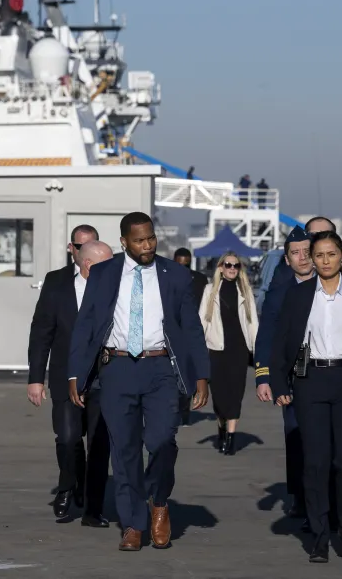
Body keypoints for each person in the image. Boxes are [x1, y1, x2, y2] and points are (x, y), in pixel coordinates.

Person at [68, 212, 211, 552]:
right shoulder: (103, 274)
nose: (147, 246)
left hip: (160, 368)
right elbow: (85, 324)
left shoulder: (175, 275)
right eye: (139, 240)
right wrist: (75, 373)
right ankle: (134, 523)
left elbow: (191, 328)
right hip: (116, 368)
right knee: (125, 451)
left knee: (161, 441)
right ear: (123, 242)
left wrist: (201, 376)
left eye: (150, 239)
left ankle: (159, 500)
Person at [271, 231, 342, 563]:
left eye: (330, 254)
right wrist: (279, 384)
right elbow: (281, 343)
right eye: (318, 255)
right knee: (316, 462)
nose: (324, 261)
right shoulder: (299, 295)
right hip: (311, 383)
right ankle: (319, 535)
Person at [27, 233, 113, 526]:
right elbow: (42, 332)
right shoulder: (57, 282)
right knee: (67, 439)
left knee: (100, 445)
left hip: (105, 379)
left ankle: (92, 508)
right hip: (66, 376)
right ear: (83, 260)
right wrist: (36, 378)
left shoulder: (115, 287)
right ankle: (68, 485)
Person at [255, 218, 335, 522]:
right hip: (295, 378)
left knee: (333, 442)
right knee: (297, 437)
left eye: (306, 251)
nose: (302, 257)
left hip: (333, 375)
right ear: (287, 259)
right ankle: (302, 498)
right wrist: (264, 376)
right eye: (295, 253)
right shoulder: (280, 292)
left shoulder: (333, 284)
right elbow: (266, 337)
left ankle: (332, 498)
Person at [199, 250, 258, 455]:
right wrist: (198, 348)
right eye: (228, 265)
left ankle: (230, 439)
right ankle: (222, 428)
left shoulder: (245, 291)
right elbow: (203, 321)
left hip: (239, 350)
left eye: (236, 265)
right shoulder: (210, 290)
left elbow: (253, 323)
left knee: (235, 394)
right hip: (216, 349)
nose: (232, 269)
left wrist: (256, 350)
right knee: (220, 396)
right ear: (221, 268)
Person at [172, 247, 209, 426]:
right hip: (173, 331)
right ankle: (177, 408)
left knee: (188, 370)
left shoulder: (200, 279)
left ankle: (185, 410)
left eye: (186, 265)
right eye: (180, 265)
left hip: (193, 329)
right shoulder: (166, 278)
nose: (183, 269)